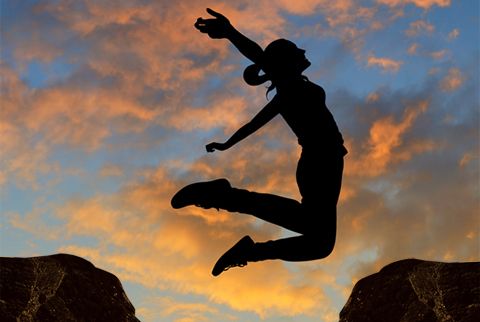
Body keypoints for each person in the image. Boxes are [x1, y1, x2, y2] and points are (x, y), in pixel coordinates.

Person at [171, 8, 348, 277]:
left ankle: (234, 216)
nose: (302, 51)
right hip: (320, 162)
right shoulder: (290, 88)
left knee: (319, 242)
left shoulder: (292, 86)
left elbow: (255, 118)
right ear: (286, 62)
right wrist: (230, 33)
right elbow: (259, 57)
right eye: (295, 49)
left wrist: (228, 143)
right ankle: (226, 200)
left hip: (327, 161)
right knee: (319, 240)